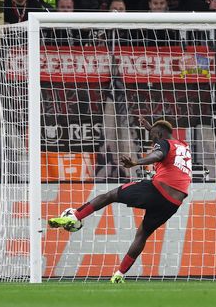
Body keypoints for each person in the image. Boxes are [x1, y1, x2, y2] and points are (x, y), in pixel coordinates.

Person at [48, 119, 192, 284]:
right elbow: (163, 140)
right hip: (173, 203)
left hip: (157, 190)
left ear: (159, 134)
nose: (152, 141)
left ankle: (75, 216)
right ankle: (119, 275)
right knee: (142, 235)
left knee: (110, 195)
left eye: (153, 137)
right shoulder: (183, 146)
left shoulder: (162, 143)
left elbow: (158, 153)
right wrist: (151, 128)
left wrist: (137, 162)